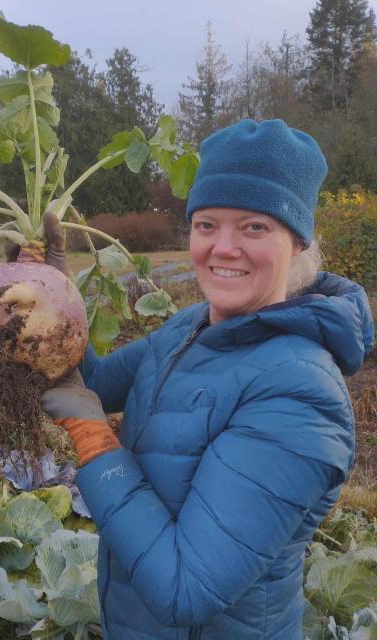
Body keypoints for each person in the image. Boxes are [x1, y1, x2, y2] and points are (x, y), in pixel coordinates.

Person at [41, 119, 375, 640]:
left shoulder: (301, 394)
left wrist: (94, 442)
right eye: (207, 225)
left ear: (298, 243)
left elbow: (186, 588)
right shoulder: (189, 325)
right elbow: (97, 381)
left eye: (254, 227)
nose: (224, 247)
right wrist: (53, 299)